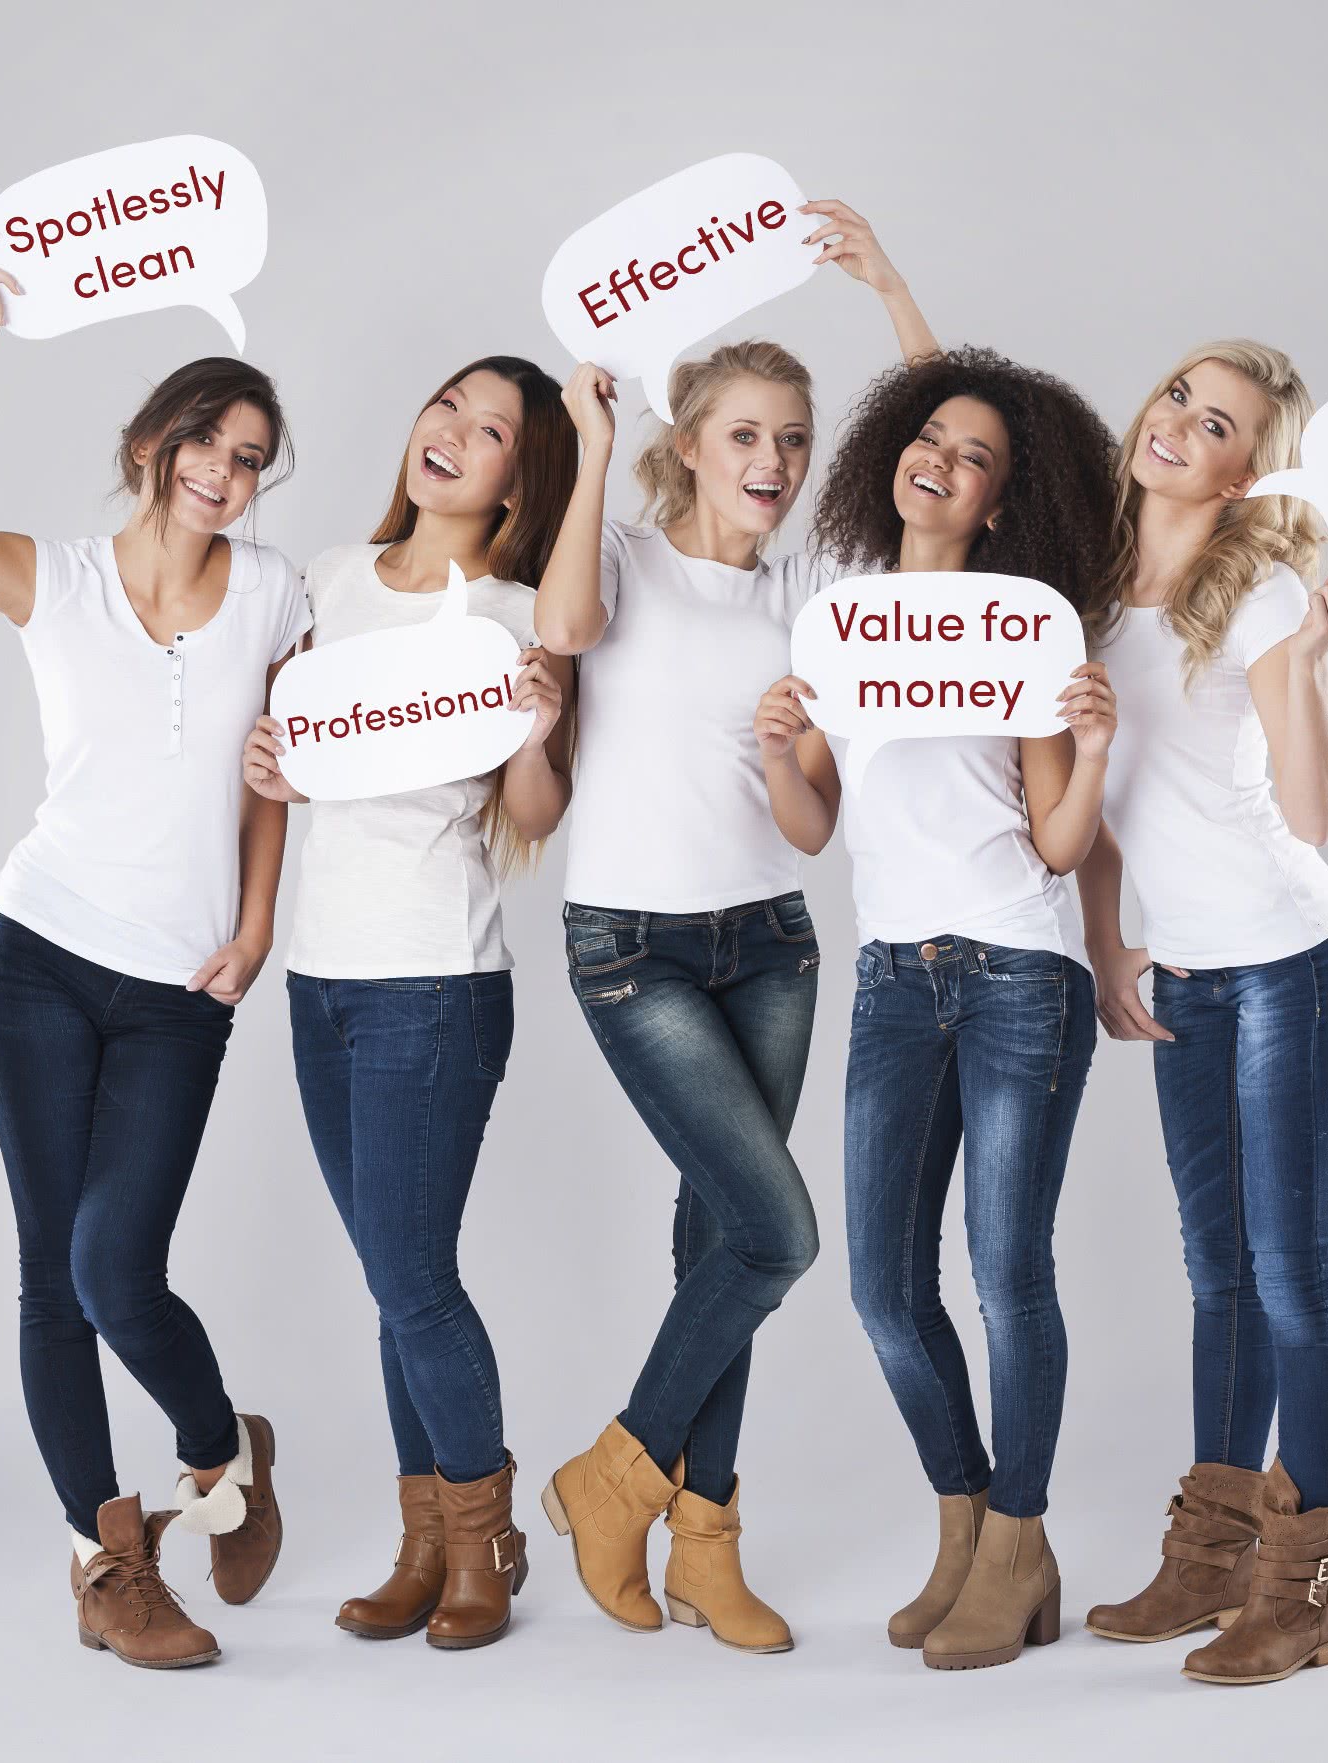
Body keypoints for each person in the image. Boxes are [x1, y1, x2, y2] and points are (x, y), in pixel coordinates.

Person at [0, 237, 306, 1669]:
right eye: (208, 443)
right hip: (36, 959)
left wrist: (257, 925)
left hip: (179, 991)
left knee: (119, 1268)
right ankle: (110, 1566)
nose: (224, 473)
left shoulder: (276, 594)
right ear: (154, 441)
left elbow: (272, 778)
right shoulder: (55, 579)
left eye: (251, 459)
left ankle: (222, 1450)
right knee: (53, 1275)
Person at [532, 203, 935, 1654]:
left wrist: (890, 290)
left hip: (769, 942)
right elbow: (562, 631)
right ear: (691, 442)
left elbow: (943, 474)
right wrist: (589, 444)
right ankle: (610, 1480)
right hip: (631, 948)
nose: (774, 462)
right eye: (746, 435)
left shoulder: (809, 593)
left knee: (719, 1241)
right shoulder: (621, 557)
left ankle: (705, 1544)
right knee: (778, 1234)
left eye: (794, 441)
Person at [759, 347, 1117, 1670]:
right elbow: (812, 825)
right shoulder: (843, 622)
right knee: (885, 1287)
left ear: (999, 502)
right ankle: (969, 1525)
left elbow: (1060, 844)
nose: (943, 463)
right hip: (894, 981)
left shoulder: (1023, 627)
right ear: (893, 457)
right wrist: (775, 746)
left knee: (1009, 1275)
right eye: (931, 439)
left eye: (978, 459)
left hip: (1020, 970)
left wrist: (1095, 748)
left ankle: (1019, 1542)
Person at [244, 357, 578, 1650]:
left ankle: (485, 1544)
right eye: (448, 405)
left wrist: (538, 731)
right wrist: (271, 760)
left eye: (490, 431)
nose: (452, 433)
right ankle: (424, 1545)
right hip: (320, 977)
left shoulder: (515, 614)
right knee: (394, 1282)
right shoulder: (329, 579)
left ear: (518, 481)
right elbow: (297, 752)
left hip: (435, 979)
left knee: (413, 1276)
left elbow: (535, 813)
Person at [1075, 341, 1328, 1685]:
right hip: (1188, 971)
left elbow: (1315, 816)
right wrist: (1108, 949)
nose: (1178, 425)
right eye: (1178, 399)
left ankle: (1301, 1593)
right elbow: (1096, 809)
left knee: (1293, 1274)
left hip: (1288, 959)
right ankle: (1208, 1564)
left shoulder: (1261, 595)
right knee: (1220, 1277)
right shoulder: (1089, 589)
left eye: (1217, 425)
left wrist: (1307, 662)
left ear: (1248, 472)